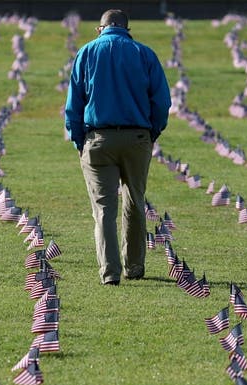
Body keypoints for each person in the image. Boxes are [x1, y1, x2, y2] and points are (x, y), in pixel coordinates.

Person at [65, 9, 171, 286]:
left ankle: (109, 272)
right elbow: (161, 102)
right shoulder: (144, 53)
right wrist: (151, 133)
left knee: (103, 208)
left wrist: (79, 140)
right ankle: (134, 266)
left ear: (100, 29)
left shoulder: (87, 53)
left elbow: (74, 104)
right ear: (127, 29)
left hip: (98, 138)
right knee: (135, 201)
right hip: (137, 138)